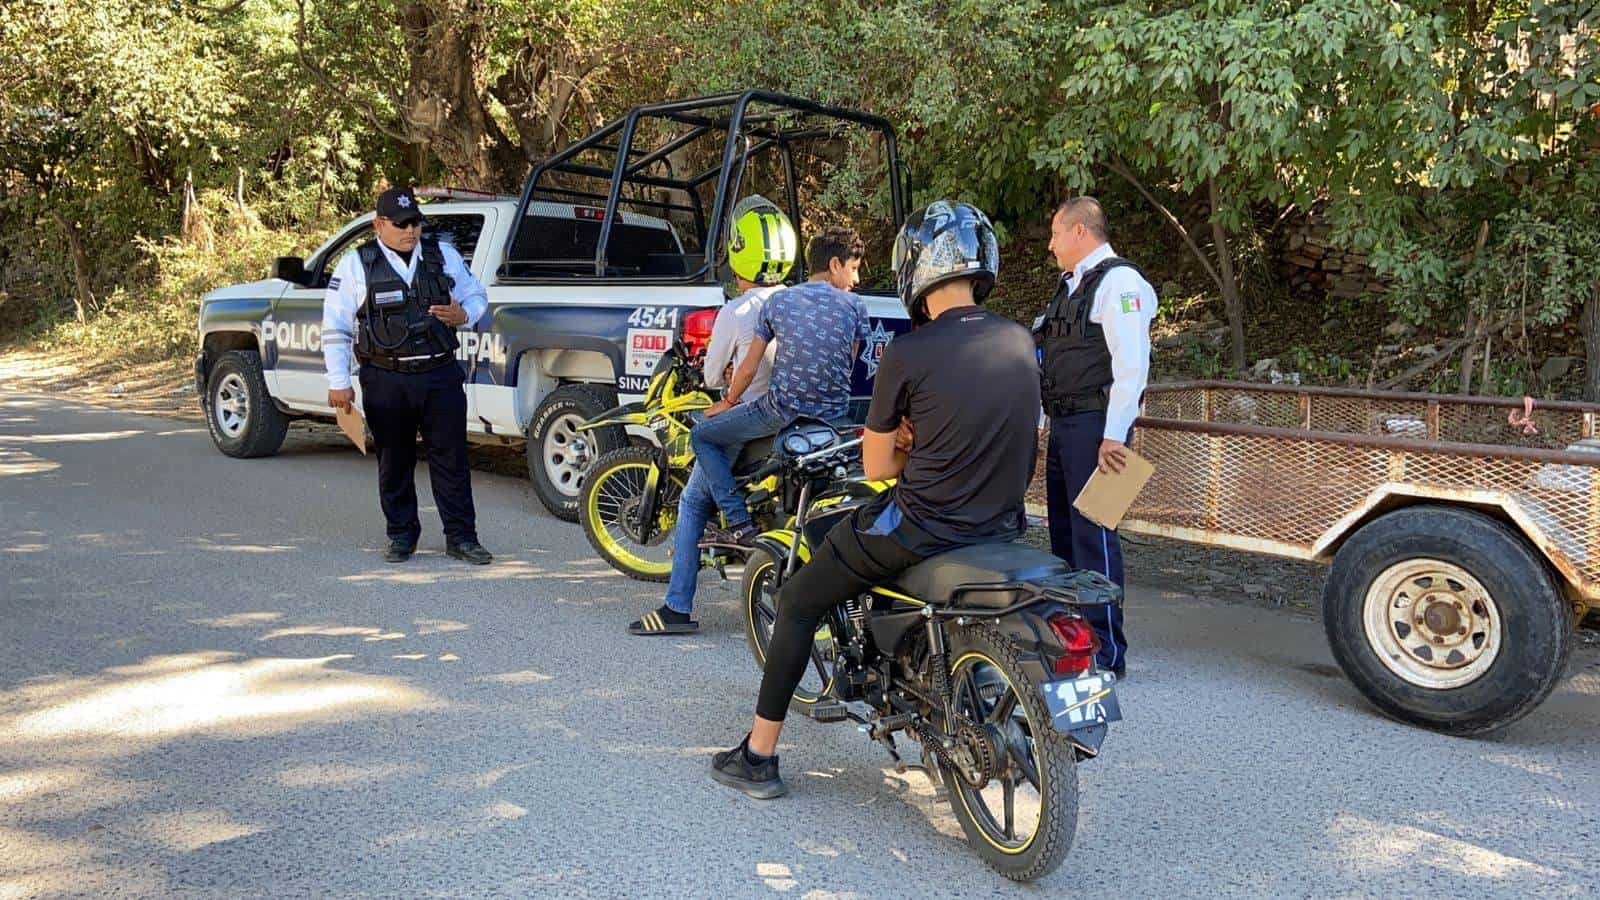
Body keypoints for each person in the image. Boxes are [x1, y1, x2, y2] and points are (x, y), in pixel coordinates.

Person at [710, 201, 1041, 799]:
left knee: (800, 598)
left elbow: (878, 465)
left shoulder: (910, 352)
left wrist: (914, 448)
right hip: (1002, 528)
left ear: (915, 267)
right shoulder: (1019, 339)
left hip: (922, 528)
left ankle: (757, 756)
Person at [629, 196, 794, 636]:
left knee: (692, 499)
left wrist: (722, 377)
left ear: (738, 250)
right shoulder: (793, 301)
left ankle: (677, 607)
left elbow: (709, 374)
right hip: (790, 418)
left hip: (745, 420)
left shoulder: (738, 310)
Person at [322, 186, 493, 566]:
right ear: (379, 224)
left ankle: (462, 538)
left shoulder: (442, 254)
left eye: (415, 222)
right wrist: (339, 383)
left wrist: (466, 315)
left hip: (439, 373)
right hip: (386, 377)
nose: (410, 230)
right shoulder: (357, 264)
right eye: (401, 224)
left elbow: (477, 295)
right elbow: (335, 326)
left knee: (451, 459)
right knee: (394, 460)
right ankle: (401, 536)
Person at [1033, 196, 1157, 679]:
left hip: (1097, 428)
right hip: (1067, 426)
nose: (1050, 244)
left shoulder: (1120, 283)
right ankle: (1074, 642)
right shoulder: (1070, 287)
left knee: (1095, 536)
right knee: (1064, 534)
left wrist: (1114, 435)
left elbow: (1132, 368)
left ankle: (1107, 650)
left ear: (1080, 232)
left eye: (1055, 234)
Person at [690, 225, 871, 547]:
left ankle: (738, 522)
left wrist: (728, 402)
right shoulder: (855, 306)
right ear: (834, 265)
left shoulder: (779, 301)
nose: (856, 280)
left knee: (701, 435)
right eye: (853, 269)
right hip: (834, 417)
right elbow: (848, 362)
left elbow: (748, 368)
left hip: (780, 412)